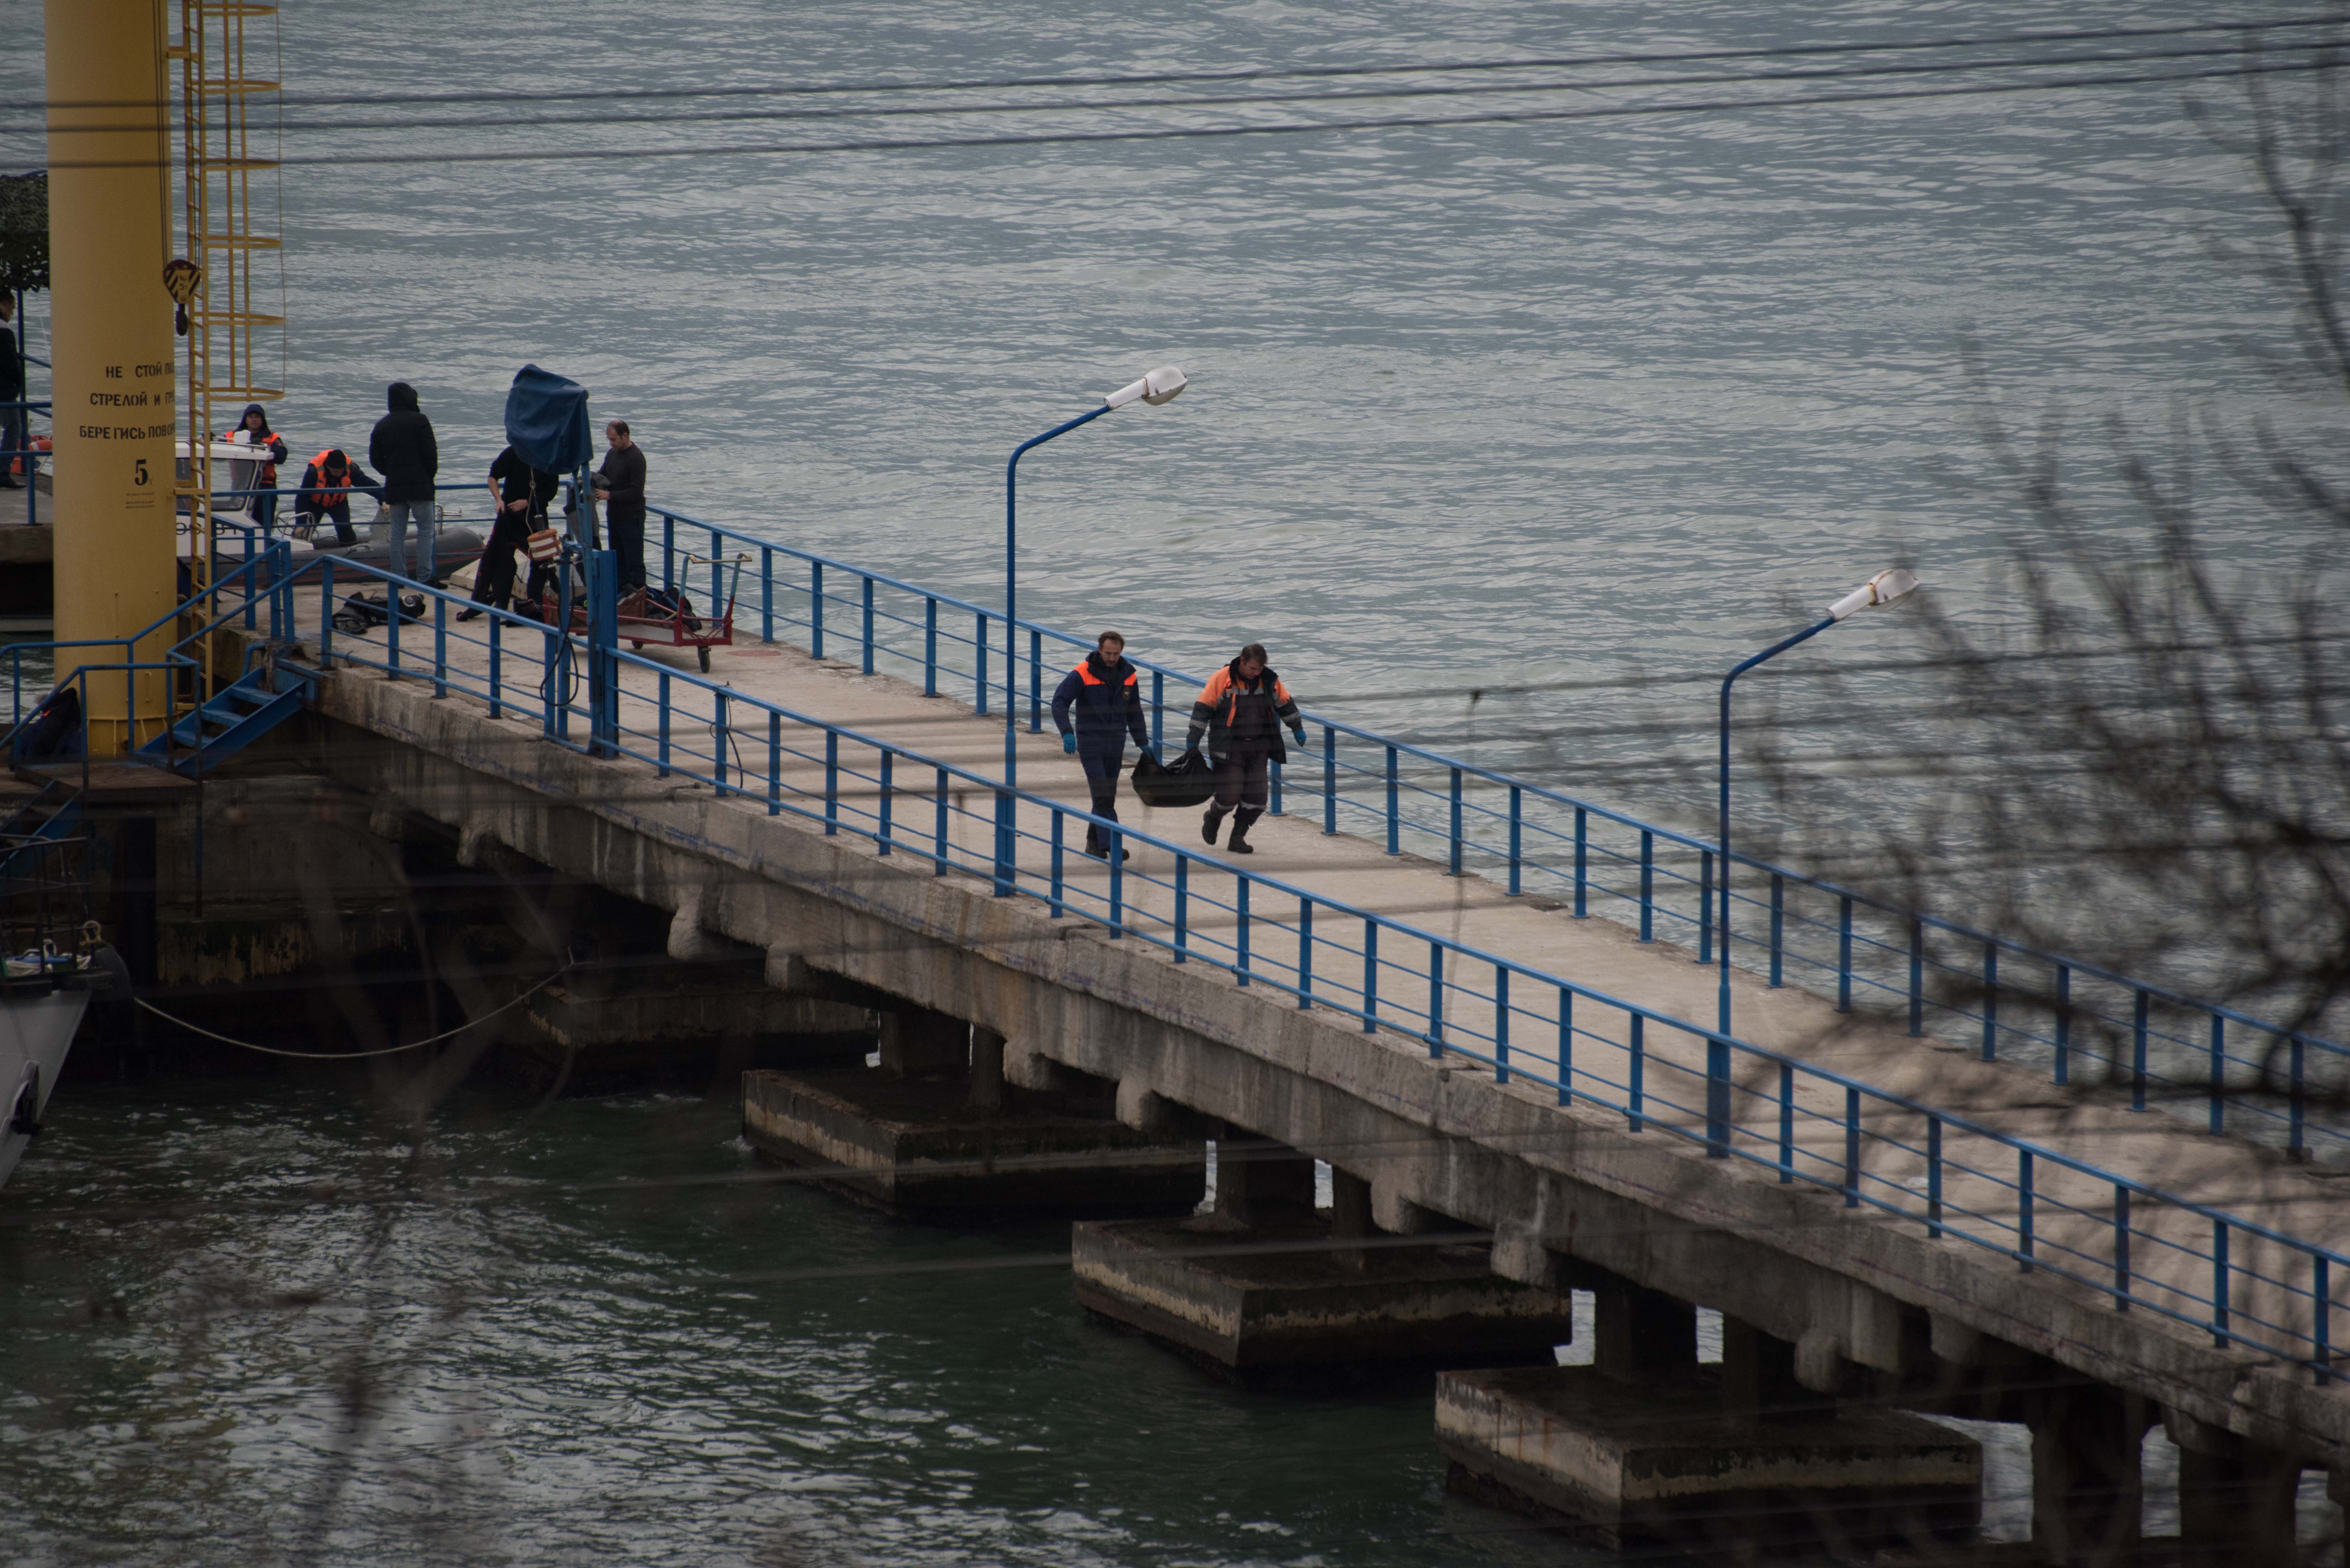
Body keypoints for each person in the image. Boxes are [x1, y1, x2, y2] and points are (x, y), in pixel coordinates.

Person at [1186, 642, 1305, 856]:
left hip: (1259, 747)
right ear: (1242, 661)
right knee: (1229, 796)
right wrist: (1193, 740)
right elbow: (1203, 710)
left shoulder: (1269, 680)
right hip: (1230, 747)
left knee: (1258, 799)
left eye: (1260, 669)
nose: (1256, 673)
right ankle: (1213, 817)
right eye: (1252, 669)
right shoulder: (1222, 679)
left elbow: (1286, 704)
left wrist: (1297, 728)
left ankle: (1238, 837)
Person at [1051, 631, 1156, 861]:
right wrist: (1067, 733)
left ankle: (1093, 844)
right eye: (1108, 653)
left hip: (1116, 743)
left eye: (1116, 654)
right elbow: (1059, 702)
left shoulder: (1129, 676)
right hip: (1090, 742)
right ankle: (1113, 844)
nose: (1112, 658)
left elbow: (1134, 711)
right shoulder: (1082, 673)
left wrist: (1143, 742)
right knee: (1102, 795)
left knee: (1107, 795)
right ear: (1099, 650)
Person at [460, 443, 560, 621]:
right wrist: (498, 500)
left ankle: (534, 600)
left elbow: (551, 491)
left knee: (541, 559)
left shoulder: (548, 455)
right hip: (508, 515)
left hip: (533, 516)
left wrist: (528, 502)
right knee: (498, 557)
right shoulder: (513, 451)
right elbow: (493, 476)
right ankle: (501, 599)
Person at [368, 381, 441, 583]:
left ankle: (399, 577)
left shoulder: (382, 425)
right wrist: (429, 476)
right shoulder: (420, 421)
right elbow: (431, 454)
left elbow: (375, 459)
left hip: (395, 488)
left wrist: (390, 472)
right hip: (421, 487)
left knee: (398, 533)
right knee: (426, 531)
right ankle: (425, 577)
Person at [591, 419, 647, 591]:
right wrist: (590, 481)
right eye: (609, 440)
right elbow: (603, 475)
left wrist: (610, 495)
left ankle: (639, 595)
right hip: (614, 516)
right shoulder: (612, 453)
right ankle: (622, 594)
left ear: (625, 436)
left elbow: (636, 492)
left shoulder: (636, 458)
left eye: (614, 440)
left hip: (631, 517)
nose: (611, 443)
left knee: (634, 561)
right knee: (618, 560)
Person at [221, 403, 287, 534]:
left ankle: (266, 545)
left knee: (265, 525)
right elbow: (216, 450)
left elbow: (282, 457)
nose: (254, 420)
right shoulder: (232, 436)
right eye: (251, 417)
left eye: (257, 417)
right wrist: (209, 438)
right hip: (241, 486)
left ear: (263, 420)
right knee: (239, 522)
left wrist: (264, 446)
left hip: (265, 487)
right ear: (246, 419)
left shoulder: (272, 438)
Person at [292, 448, 374, 546]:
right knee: (304, 532)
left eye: (340, 471)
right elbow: (302, 498)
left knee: (345, 529)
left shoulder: (351, 469)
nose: (338, 474)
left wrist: (383, 499)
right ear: (328, 467)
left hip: (338, 503)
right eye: (335, 471)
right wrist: (300, 524)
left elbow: (368, 484)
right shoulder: (314, 471)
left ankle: (351, 552)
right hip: (315, 504)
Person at [0, 294, 22, 491]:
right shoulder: (3, 330)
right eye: (12, 307)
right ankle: (3, 472)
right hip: (3, 391)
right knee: (14, 426)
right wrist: (19, 379)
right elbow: (9, 361)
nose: (13, 312)